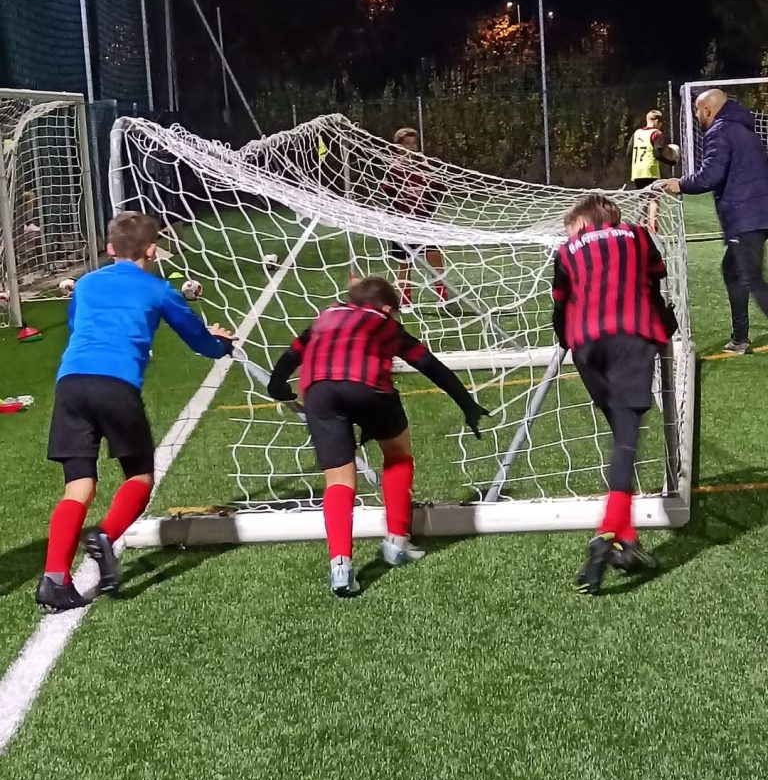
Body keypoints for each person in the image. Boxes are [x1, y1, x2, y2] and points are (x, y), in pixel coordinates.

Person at [37, 211, 235, 612]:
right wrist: (220, 343)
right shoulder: (160, 290)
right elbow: (198, 341)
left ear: (109, 248)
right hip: (115, 384)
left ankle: (54, 579)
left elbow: (77, 329)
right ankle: (106, 535)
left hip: (71, 383)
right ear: (152, 250)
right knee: (140, 476)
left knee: (78, 487)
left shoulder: (86, 284)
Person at [267, 275, 489, 596]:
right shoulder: (383, 323)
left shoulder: (324, 318)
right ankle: (396, 542)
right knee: (397, 455)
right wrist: (467, 404)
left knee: (338, 480)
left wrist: (277, 386)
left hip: (319, 392)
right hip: (367, 387)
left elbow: (291, 356)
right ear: (386, 308)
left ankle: (340, 567)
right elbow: (428, 363)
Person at [552, 193, 677, 595]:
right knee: (626, 439)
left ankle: (627, 541)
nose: (570, 234)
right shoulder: (637, 235)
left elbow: (559, 306)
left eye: (572, 227)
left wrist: (565, 340)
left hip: (585, 345)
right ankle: (606, 533)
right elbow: (655, 283)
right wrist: (664, 324)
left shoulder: (566, 250)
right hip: (630, 335)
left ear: (585, 222)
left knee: (620, 434)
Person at [663, 88, 768, 354]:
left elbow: (711, 174)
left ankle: (740, 339)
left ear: (707, 109)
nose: (697, 115)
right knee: (733, 271)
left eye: (697, 110)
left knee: (751, 279)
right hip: (757, 212)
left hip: (746, 216)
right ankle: (740, 338)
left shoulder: (720, 131)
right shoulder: (743, 128)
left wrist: (680, 183)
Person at [382, 127, 449, 308]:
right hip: (402, 223)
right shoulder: (393, 168)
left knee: (434, 256)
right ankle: (405, 301)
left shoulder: (424, 166)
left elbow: (435, 189)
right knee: (404, 262)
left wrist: (431, 181)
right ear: (398, 147)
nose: (411, 147)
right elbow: (388, 193)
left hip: (423, 221)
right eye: (407, 144)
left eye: (414, 143)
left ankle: (443, 297)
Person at [627, 109, 676, 189]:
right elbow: (657, 154)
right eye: (661, 122)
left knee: (642, 196)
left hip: (637, 172)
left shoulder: (637, 133)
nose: (661, 125)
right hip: (650, 171)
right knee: (652, 196)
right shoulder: (656, 133)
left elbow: (629, 153)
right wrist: (670, 162)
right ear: (657, 121)